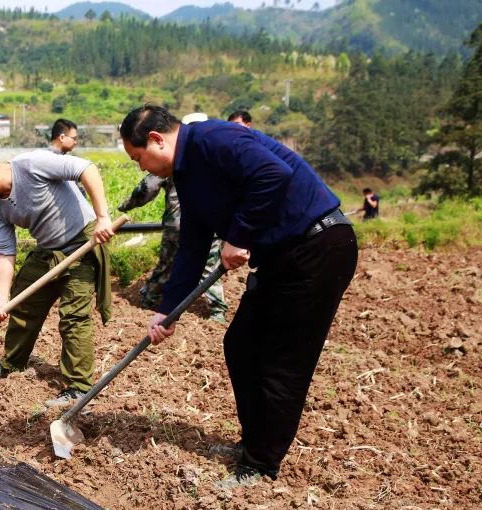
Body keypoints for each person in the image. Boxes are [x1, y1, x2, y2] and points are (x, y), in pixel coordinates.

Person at [118, 104, 357, 486]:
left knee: (282, 362)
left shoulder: (214, 138)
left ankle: (261, 466)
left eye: (138, 158)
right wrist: (168, 312)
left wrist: (239, 235)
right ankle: (252, 444)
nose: (141, 168)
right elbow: (192, 249)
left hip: (317, 247)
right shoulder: (189, 175)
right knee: (241, 345)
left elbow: (272, 173)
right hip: (282, 257)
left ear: (156, 140)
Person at [0, 148, 115, 406]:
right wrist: (1, 299)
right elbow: (6, 252)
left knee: (74, 316)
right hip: (49, 249)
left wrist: (103, 217)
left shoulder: (31, 165)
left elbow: (86, 168)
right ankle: (11, 364)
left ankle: (80, 387)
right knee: (22, 304)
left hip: (83, 243)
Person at [117, 114, 228, 324]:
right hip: (210, 223)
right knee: (209, 266)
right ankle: (217, 312)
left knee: (167, 264)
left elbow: (146, 188)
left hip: (178, 224)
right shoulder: (206, 153)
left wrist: (125, 206)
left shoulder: (168, 158)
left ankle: (149, 302)